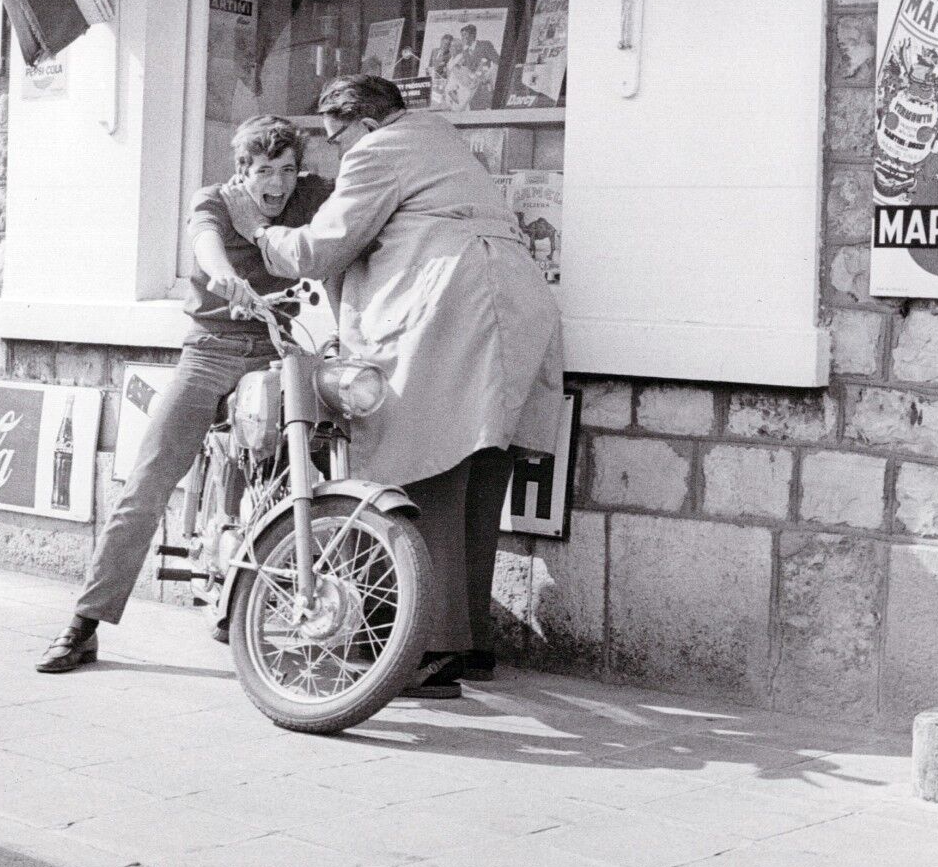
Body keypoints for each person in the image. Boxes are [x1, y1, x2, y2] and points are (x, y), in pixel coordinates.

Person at [221, 74, 563, 698]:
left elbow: (320, 250)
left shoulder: (379, 151)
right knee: (479, 478)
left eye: (336, 137)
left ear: (367, 125)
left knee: (420, 465)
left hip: (451, 302)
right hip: (516, 303)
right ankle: (471, 643)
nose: (335, 152)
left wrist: (257, 230)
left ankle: (427, 653)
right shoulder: (445, 141)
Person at [36, 116, 334, 673]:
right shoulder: (215, 200)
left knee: (309, 475)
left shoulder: (314, 195)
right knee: (148, 481)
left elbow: (349, 231)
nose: (278, 183)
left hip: (285, 346)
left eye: (288, 170)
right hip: (213, 347)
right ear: (242, 171)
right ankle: (85, 623)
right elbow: (205, 244)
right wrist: (222, 275)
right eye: (265, 170)